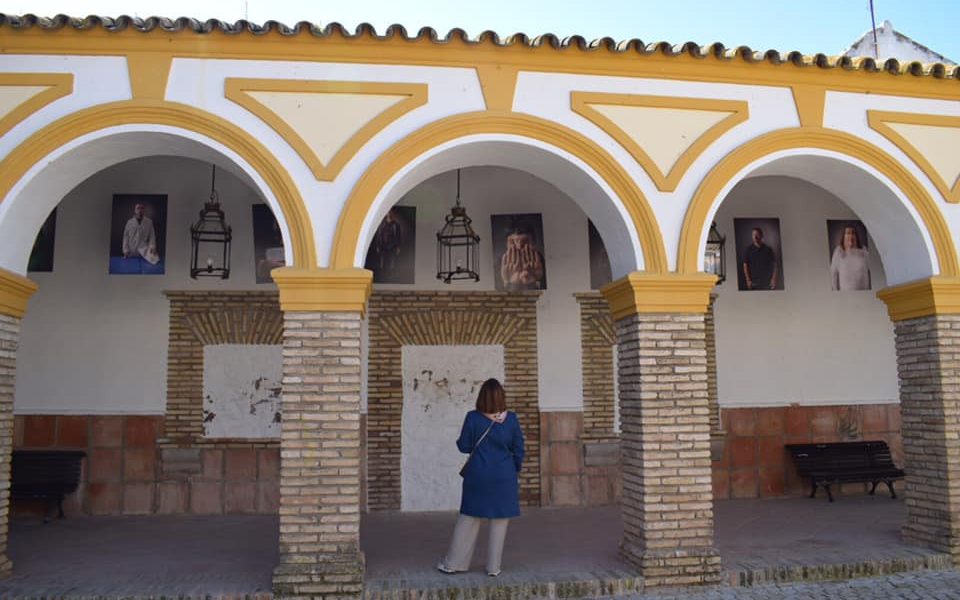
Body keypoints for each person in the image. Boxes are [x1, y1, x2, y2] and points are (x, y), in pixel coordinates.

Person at [437, 378, 524, 577]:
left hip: (477, 476)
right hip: (504, 476)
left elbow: (464, 446)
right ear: (502, 397)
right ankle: (493, 568)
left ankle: (454, 564)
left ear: (481, 397)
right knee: (499, 521)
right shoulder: (511, 419)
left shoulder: (473, 417)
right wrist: (513, 469)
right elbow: (519, 449)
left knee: (468, 518)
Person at [498, 224, 545, 291]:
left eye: (525, 241)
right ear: (506, 244)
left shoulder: (546, 265)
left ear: (534, 242)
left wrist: (535, 281)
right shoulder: (497, 266)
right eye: (513, 242)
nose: (519, 246)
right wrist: (509, 282)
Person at [830, 224, 870, 291]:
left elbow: (873, 270)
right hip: (846, 296)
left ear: (856, 236)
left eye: (853, 233)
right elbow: (833, 275)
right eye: (848, 233)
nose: (851, 236)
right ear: (844, 236)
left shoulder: (864, 251)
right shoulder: (838, 252)